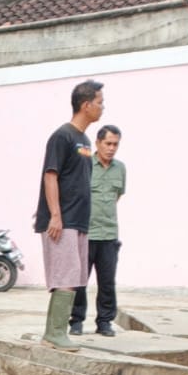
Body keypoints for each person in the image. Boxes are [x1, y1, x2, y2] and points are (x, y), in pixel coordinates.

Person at [35, 79, 103, 350]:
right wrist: (55, 215)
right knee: (65, 275)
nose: (102, 108)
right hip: (61, 221)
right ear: (86, 105)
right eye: (100, 102)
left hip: (79, 221)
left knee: (74, 276)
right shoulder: (62, 136)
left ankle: (53, 334)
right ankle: (54, 334)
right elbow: (50, 176)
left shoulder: (84, 140)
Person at [70, 125, 125, 338]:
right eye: (108, 143)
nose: (111, 148)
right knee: (79, 280)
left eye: (115, 144)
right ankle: (76, 321)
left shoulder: (120, 168)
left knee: (107, 282)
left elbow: (117, 196)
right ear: (98, 143)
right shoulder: (85, 164)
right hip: (86, 233)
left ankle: (104, 322)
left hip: (109, 234)